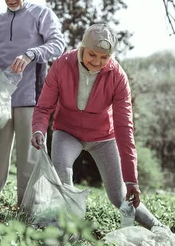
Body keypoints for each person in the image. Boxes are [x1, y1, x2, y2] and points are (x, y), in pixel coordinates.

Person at [31, 24, 164, 229]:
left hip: (103, 137)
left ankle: (157, 226)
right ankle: (64, 231)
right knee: (63, 177)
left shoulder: (118, 76)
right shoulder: (62, 65)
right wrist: (39, 129)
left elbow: (124, 128)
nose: (97, 62)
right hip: (67, 132)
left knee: (119, 196)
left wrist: (132, 180)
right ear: (82, 47)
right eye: (92, 54)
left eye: (104, 58)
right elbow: (44, 106)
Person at [0, 0, 65, 205]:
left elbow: (58, 44)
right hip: (1, 99)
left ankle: (29, 206)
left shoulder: (42, 15)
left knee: (30, 157)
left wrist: (31, 54)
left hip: (32, 96)